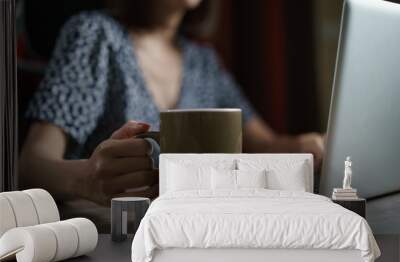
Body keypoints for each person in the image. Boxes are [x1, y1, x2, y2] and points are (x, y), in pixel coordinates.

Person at [20, 0, 324, 206]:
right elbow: (30, 166)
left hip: (191, 235)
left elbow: (266, 143)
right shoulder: (96, 36)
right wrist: (87, 179)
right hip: (111, 239)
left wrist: (305, 145)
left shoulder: (203, 62)